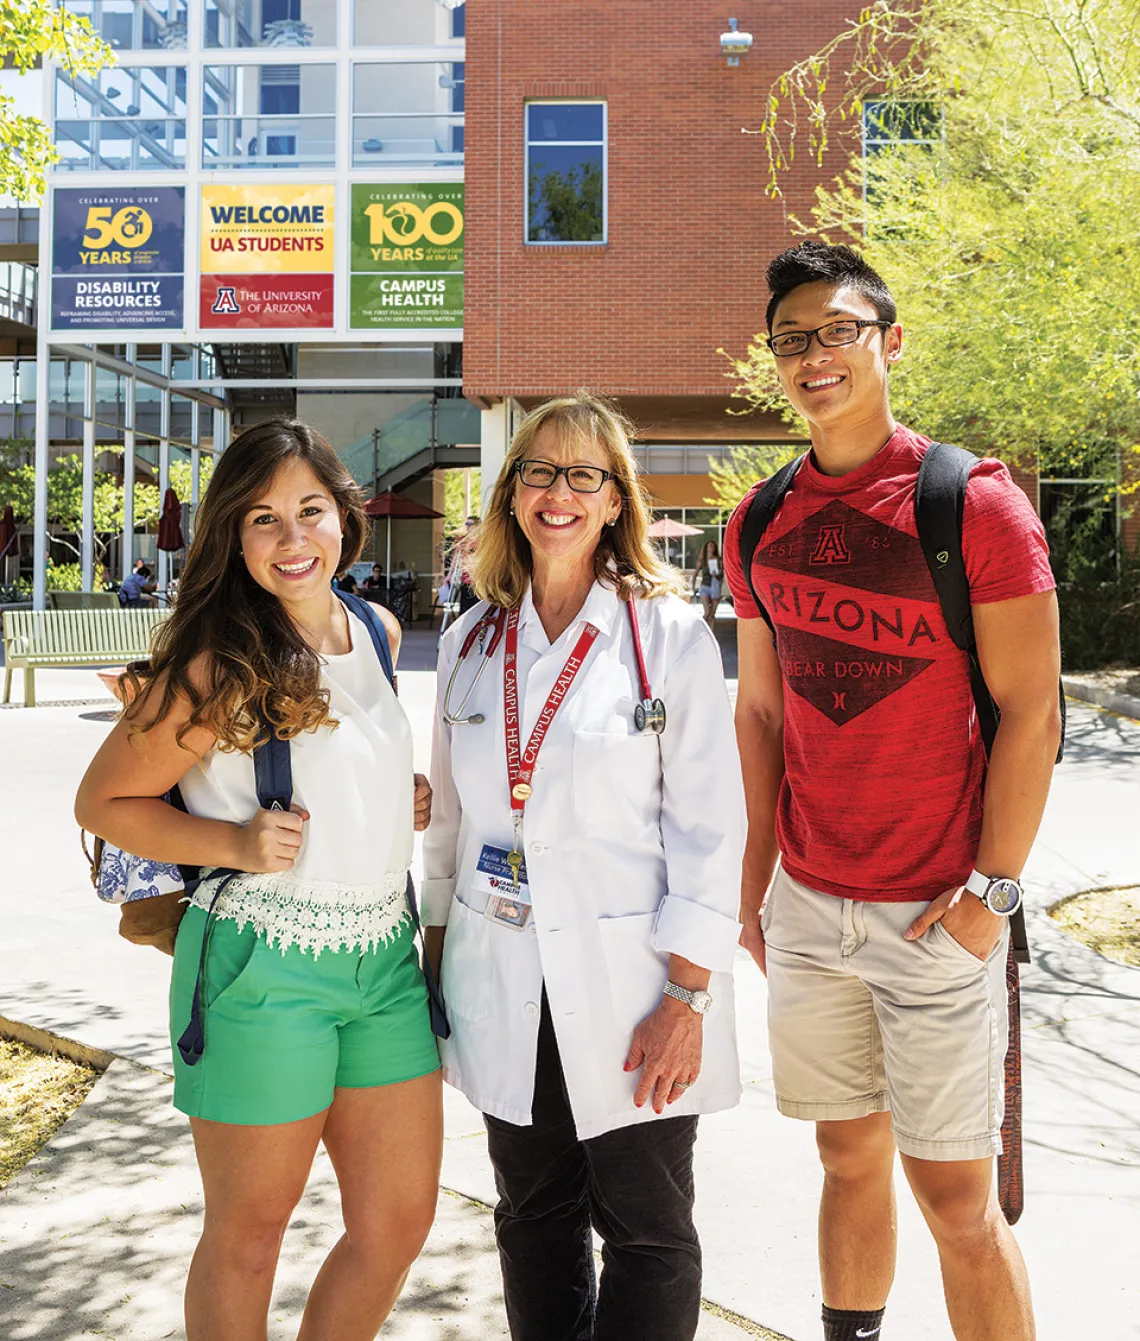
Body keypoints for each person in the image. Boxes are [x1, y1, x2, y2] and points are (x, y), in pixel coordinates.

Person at [723, 242, 1061, 1341]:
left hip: (938, 910)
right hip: (813, 905)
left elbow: (1033, 718)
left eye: (838, 332)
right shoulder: (758, 520)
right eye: (792, 341)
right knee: (843, 1152)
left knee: (959, 1202)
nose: (814, 357)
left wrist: (991, 896)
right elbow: (764, 713)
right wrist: (758, 884)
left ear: (888, 342)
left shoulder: (973, 505)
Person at [75, 418, 442, 1341]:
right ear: (233, 536)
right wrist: (233, 843)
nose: (292, 539)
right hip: (258, 965)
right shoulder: (217, 660)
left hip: (382, 960)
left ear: (344, 520)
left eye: (310, 511)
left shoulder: (377, 630)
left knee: (396, 1222)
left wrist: (396, 796)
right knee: (248, 1237)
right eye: (262, 518)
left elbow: (351, 759)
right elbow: (104, 800)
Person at [423, 393, 745, 1341]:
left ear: (615, 501)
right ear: (511, 492)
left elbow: (710, 831)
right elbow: (447, 822)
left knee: (647, 1230)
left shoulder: (670, 638)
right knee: (531, 1217)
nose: (558, 492)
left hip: (635, 989)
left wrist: (689, 999)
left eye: (584, 475)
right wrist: (437, 958)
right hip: (503, 974)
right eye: (539, 471)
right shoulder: (469, 643)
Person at [692, 539, 723, 629]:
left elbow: (722, 576)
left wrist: (717, 574)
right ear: (706, 548)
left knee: (712, 615)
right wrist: (693, 588)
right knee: (707, 612)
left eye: (713, 546)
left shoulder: (718, 560)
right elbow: (695, 574)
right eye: (709, 546)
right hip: (705, 587)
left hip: (715, 587)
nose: (711, 547)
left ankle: (712, 635)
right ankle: (699, 629)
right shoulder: (702, 561)